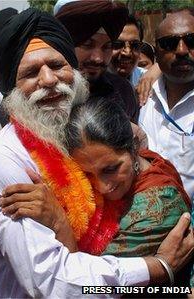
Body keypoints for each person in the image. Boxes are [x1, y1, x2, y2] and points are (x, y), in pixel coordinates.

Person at [0, 7, 193, 298]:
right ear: (10, 90)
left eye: (56, 64)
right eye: (30, 72)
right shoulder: (7, 161)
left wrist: (59, 221)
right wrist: (157, 267)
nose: (49, 79)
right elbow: (54, 284)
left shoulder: (75, 129)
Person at [0, 97, 192, 288]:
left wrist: (59, 221)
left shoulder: (156, 210)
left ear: (134, 148)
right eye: (86, 175)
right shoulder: (142, 164)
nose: (102, 187)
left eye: (111, 169)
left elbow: (84, 283)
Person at [139, 9, 194, 200]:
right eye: (169, 43)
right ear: (156, 52)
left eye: (191, 41)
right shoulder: (140, 94)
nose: (181, 50)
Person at [54, 0, 139, 122]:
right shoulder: (48, 93)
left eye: (107, 47)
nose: (98, 58)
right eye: (87, 45)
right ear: (65, 45)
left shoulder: (123, 91)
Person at [109, 14, 146, 87]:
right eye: (117, 44)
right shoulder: (90, 81)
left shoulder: (148, 80)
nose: (127, 53)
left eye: (135, 45)